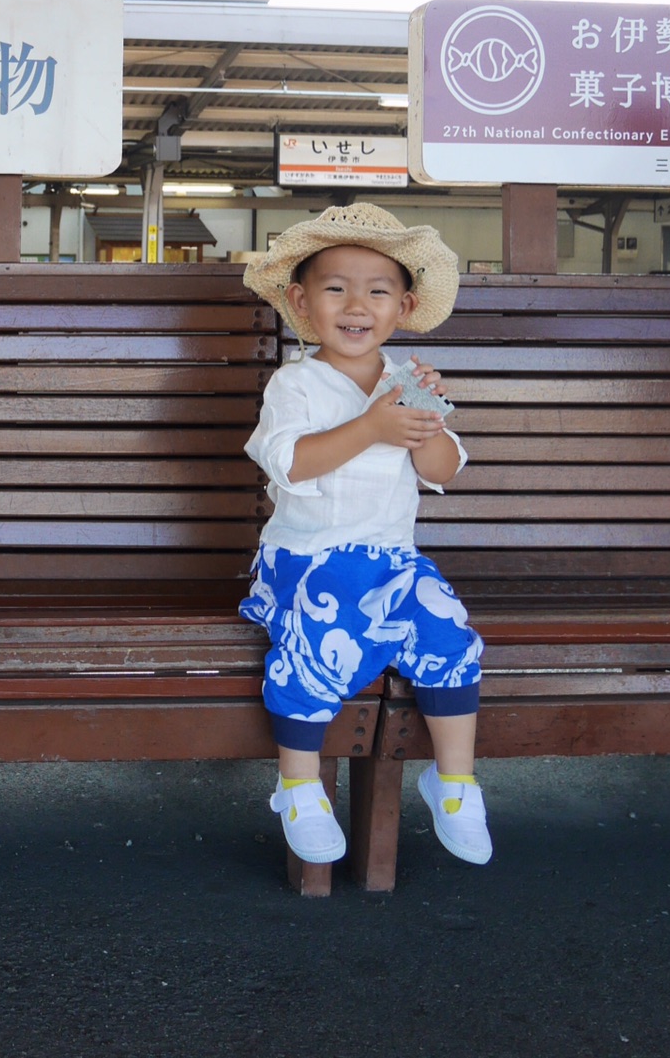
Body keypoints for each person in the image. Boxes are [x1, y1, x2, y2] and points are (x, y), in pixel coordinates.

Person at [240, 204, 491, 867]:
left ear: (403, 305)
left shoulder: (406, 383)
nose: (357, 304)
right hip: (304, 561)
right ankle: (297, 784)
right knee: (315, 636)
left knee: (448, 627)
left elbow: (443, 472)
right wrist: (372, 428)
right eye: (335, 288)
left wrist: (425, 427)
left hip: (390, 564)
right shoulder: (293, 384)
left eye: (378, 290)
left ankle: (455, 781)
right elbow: (291, 464)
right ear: (300, 300)